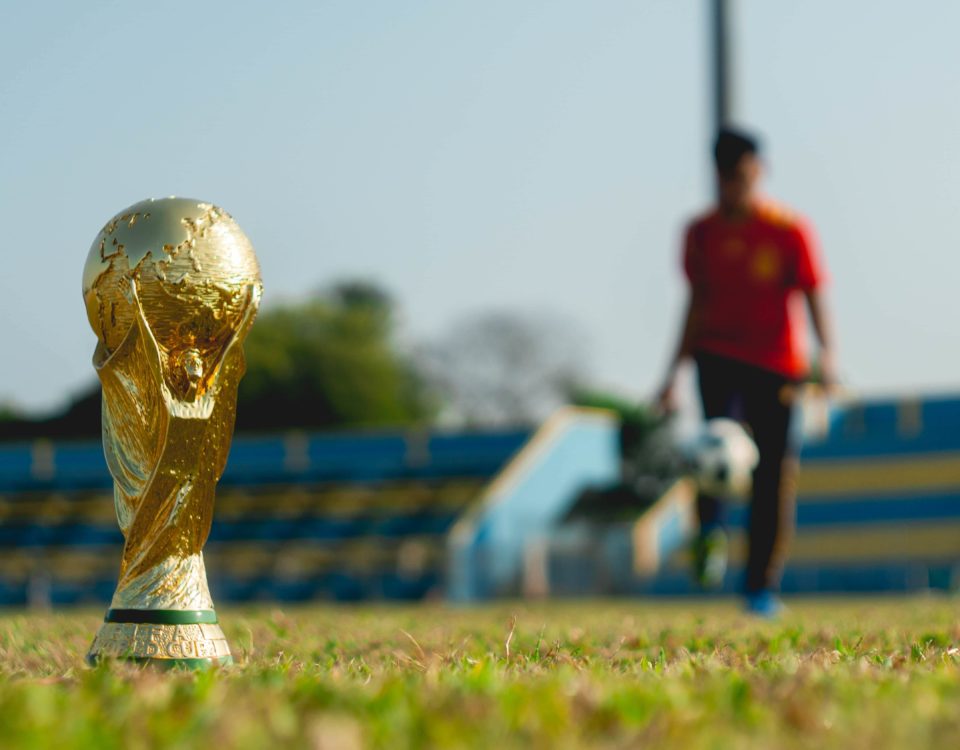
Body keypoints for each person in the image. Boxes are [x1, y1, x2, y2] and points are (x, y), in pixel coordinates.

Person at [657, 127, 838, 617]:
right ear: (716, 176)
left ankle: (760, 587)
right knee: (715, 448)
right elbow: (693, 303)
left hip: (778, 368)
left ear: (759, 170)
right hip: (718, 359)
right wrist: (670, 375)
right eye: (727, 176)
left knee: (773, 478)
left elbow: (813, 292)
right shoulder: (701, 233)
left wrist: (828, 359)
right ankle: (710, 531)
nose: (737, 184)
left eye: (745, 174)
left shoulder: (787, 230)